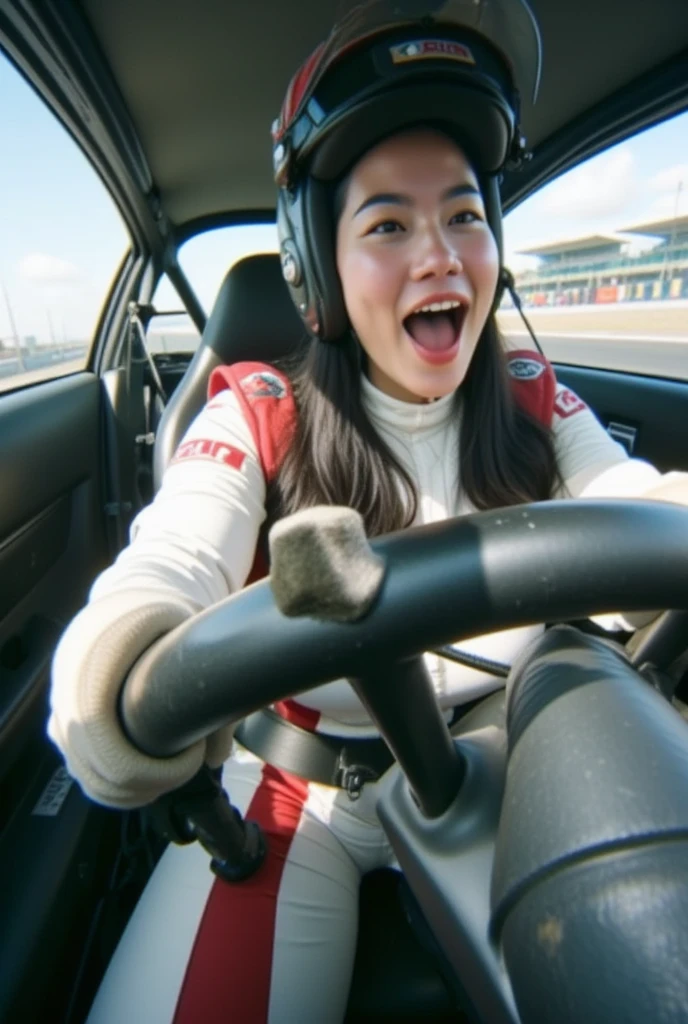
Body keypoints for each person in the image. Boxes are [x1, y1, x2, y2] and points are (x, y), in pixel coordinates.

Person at [48, 2, 688, 1021]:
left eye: (464, 214)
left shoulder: (530, 389)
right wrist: (113, 670)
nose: (438, 255)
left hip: (516, 748)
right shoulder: (257, 410)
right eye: (386, 222)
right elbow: (171, 556)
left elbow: (630, 502)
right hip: (302, 789)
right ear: (317, 269)